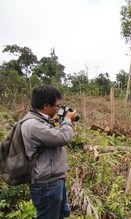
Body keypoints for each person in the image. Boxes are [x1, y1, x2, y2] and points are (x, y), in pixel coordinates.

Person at [21, 84, 77, 219]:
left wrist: (62, 122)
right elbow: (64, 137)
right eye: (57, 106)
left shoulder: (41, 121)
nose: (59, 109)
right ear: (46, 106)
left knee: (62, 214)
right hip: (46, 184)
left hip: (54, 180)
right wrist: (67, 120)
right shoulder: (33, 125)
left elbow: (51, 137)